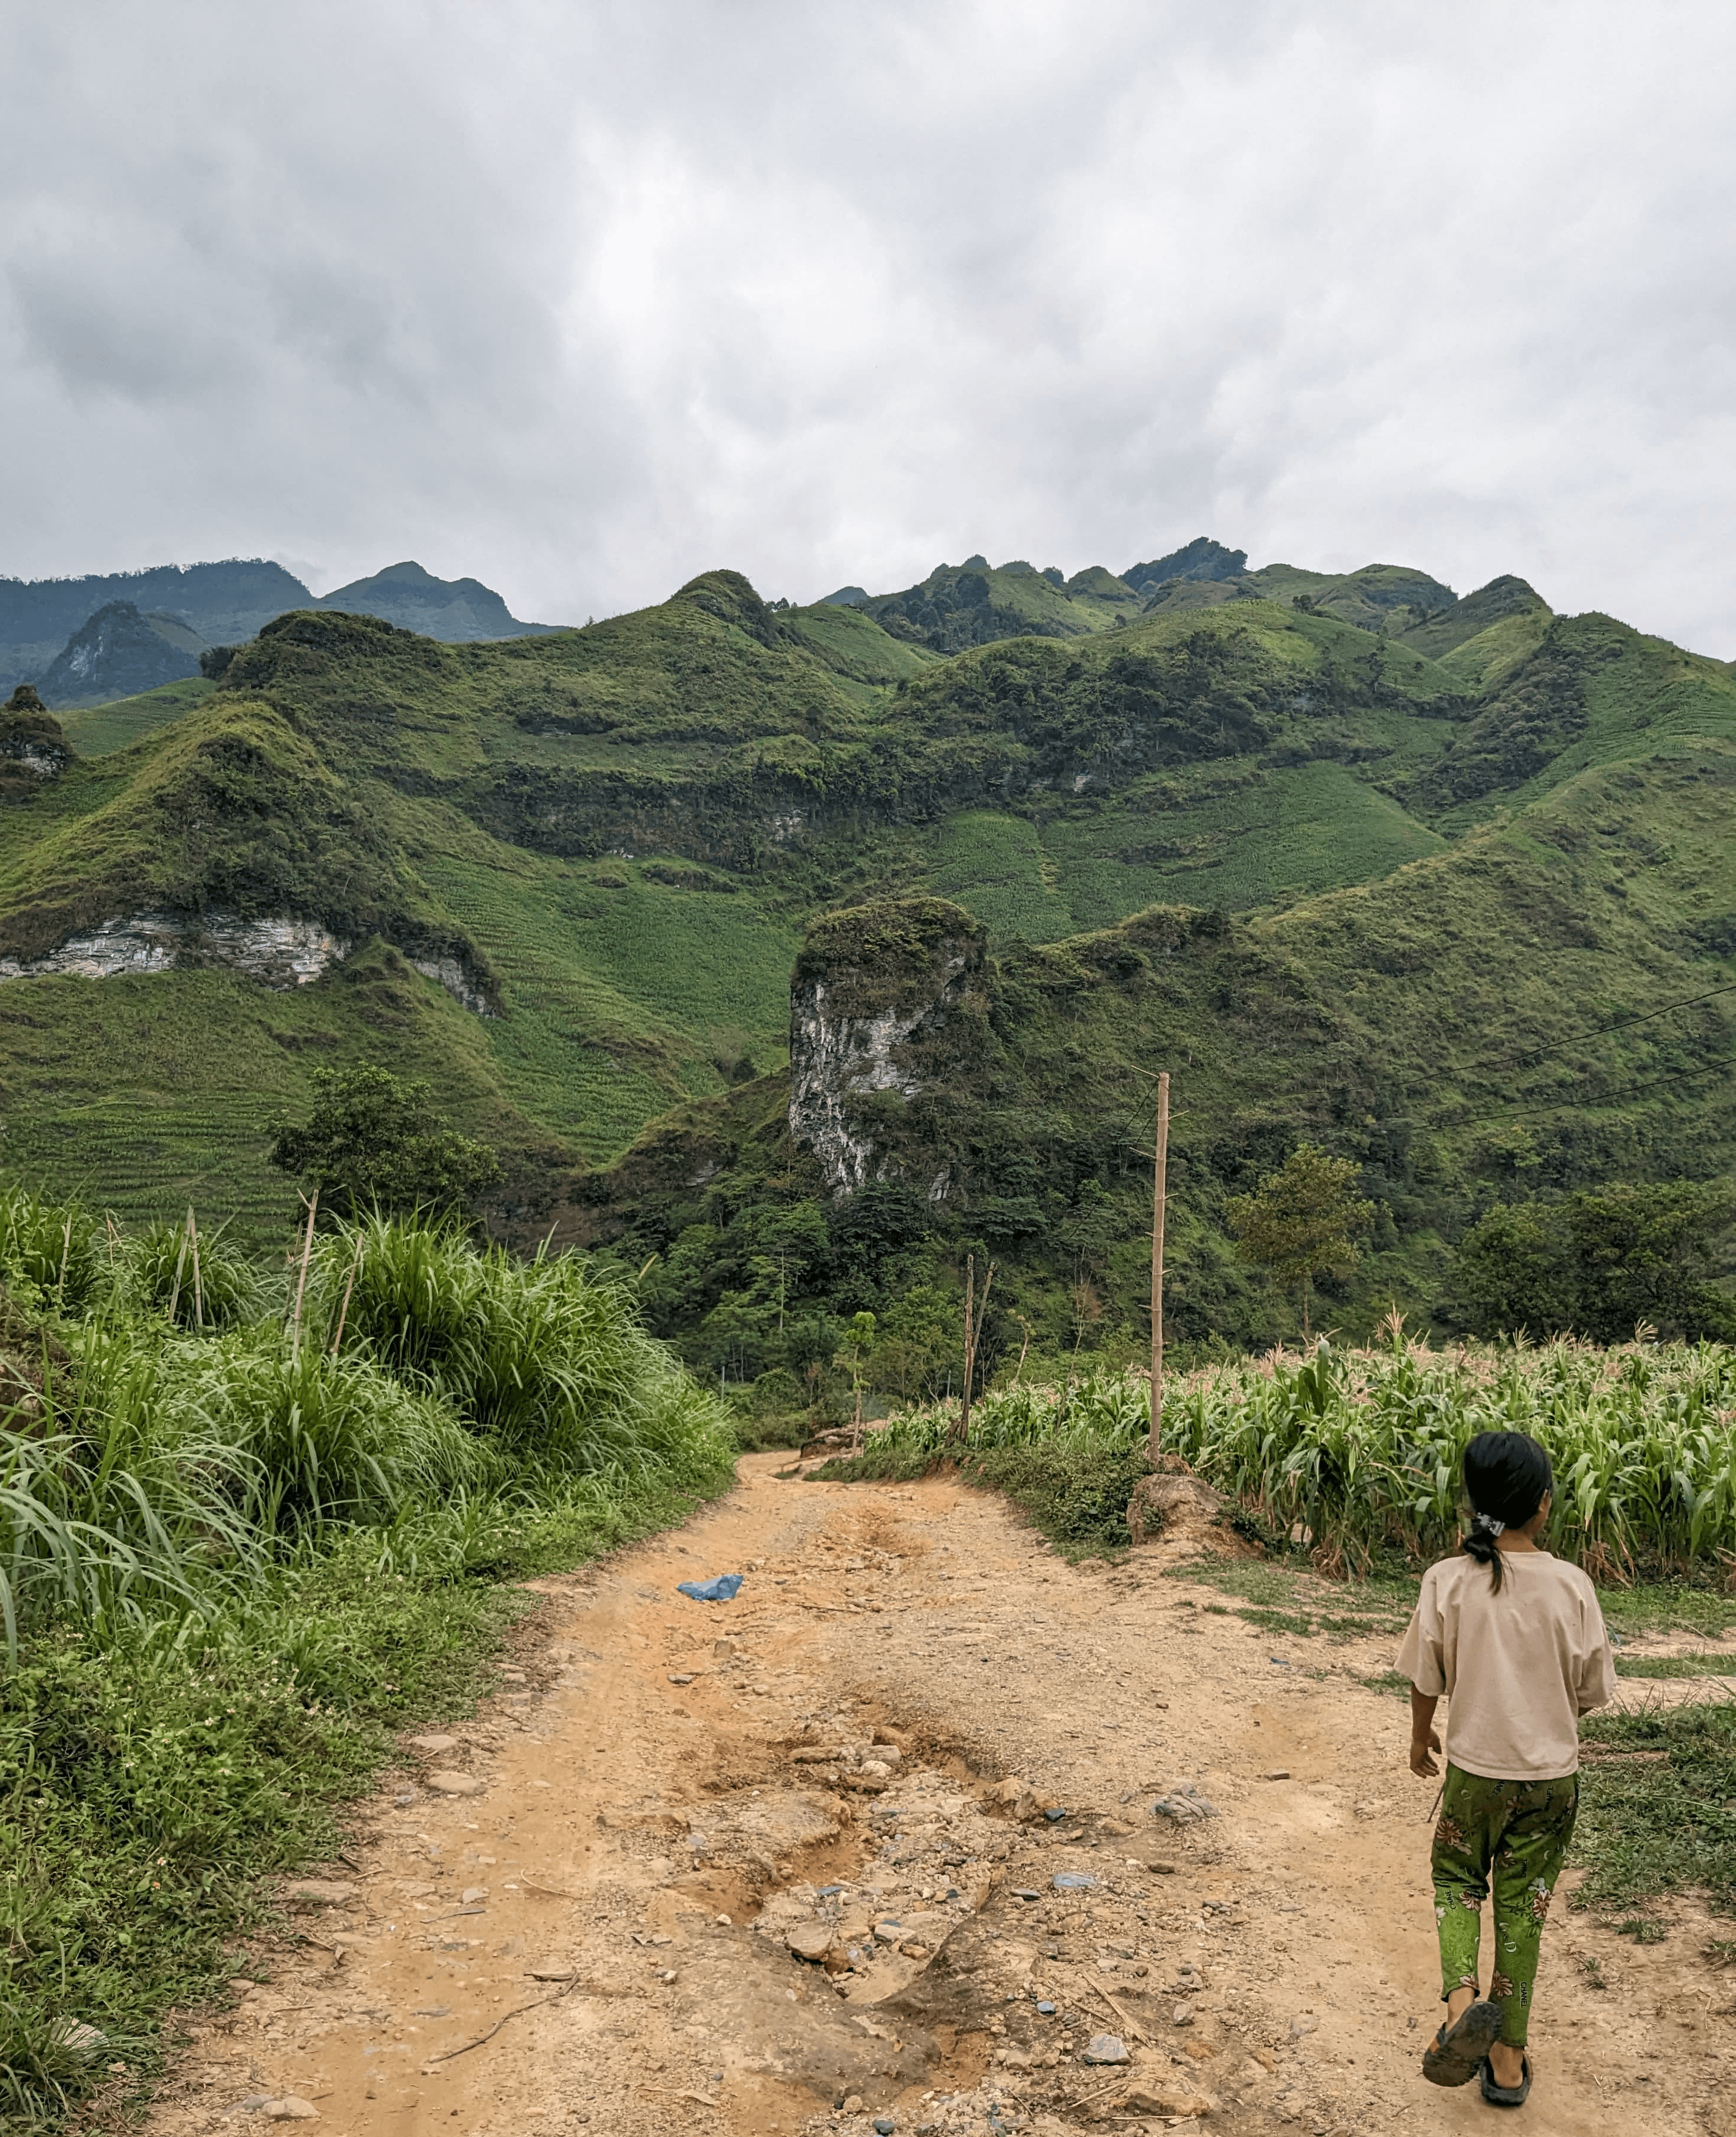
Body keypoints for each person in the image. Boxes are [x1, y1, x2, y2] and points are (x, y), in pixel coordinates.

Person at [1395, 1429, 1615, 2107]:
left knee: (1457, 1878)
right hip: (1550, 1780)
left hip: (1474, 1774)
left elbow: (1424, 1673)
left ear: (1472, 1503)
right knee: (1525, 1907)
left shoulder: (1446, 1580)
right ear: (1543, 1505)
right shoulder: (1572, 1586)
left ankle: (1462, 2000)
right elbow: (1590, 1690)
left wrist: (1419, 1737)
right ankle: (1509, 2061)